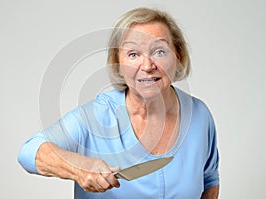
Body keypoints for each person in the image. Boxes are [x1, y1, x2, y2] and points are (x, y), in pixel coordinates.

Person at [18, 7, 220, 199]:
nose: (148, 66)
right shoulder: (97, 116)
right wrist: (79, 168)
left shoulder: (200, 115)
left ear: (178, 56)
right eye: (133, 54)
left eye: (159, 51)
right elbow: (30, 151)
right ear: (118, 63)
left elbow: (209, 180)